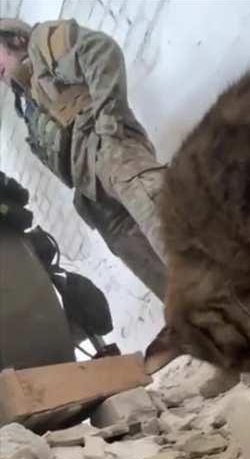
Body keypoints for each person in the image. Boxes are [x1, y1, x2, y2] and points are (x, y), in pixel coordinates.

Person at [0, 17, 167, 301]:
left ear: (15, 39)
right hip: (92, 194)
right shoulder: (26, 100)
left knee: (175, 240)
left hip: (111, 157)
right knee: (163, 282)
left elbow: (100, 51)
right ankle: (211, 334)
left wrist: (109, 130)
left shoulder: (42, 44)